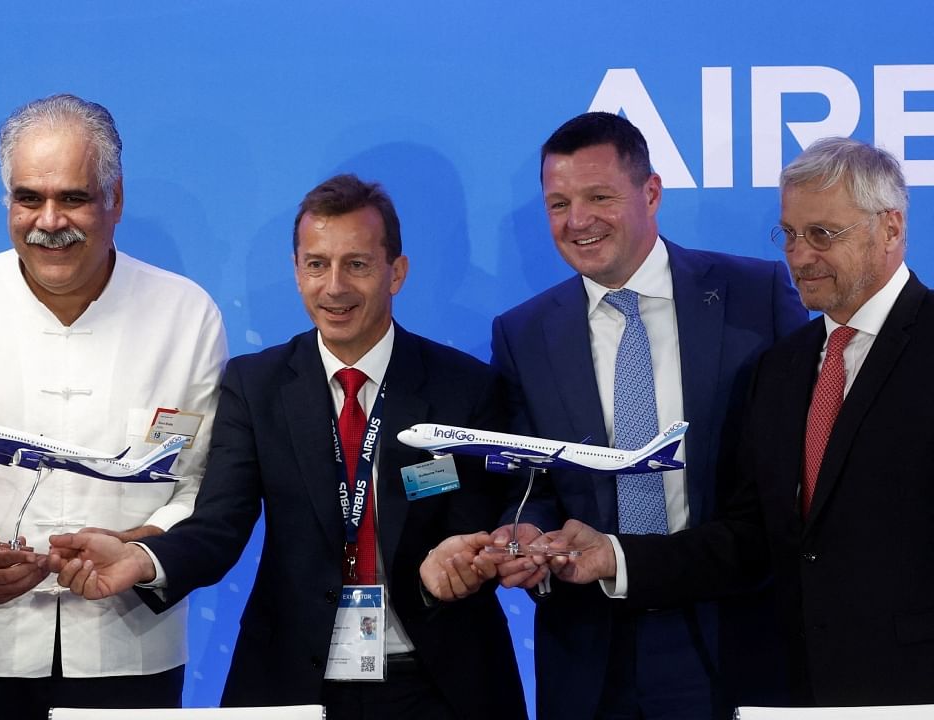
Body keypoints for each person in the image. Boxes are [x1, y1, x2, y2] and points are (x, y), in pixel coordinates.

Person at [49, 174, 530, 719]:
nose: (334, 287)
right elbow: (219, 523)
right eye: (317, 264)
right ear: (297, 271)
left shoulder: (463, 386)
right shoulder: (257, 385)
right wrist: (143, 559)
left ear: (397, 272)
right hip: (293, 679)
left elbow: (491, 513)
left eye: (358, 264)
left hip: (440, 677)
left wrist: (464, 556)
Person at [423, 112, 806, 720]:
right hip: (588, 652)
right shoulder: (524, 332)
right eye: (558, 203)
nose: (577, 221)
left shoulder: (754, 295)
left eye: (599, 197)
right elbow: (532, 479)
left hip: (732, 635)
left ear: (651, 193)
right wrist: (524, 532)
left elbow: (790, 476)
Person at [541, 136, 934, 707]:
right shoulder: (783, 366)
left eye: (823, 234)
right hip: (792, 690)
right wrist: (616, 557)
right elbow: (751, 538)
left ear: (891, 229)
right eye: (790, 235)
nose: (799, 256)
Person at [0, 94, 227, 717]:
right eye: (28, 198)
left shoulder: (187, 313)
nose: (48, 220)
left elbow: (201, 490)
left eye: (73, 197)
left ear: (115, 198)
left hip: (129, 651)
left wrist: (136, 550)